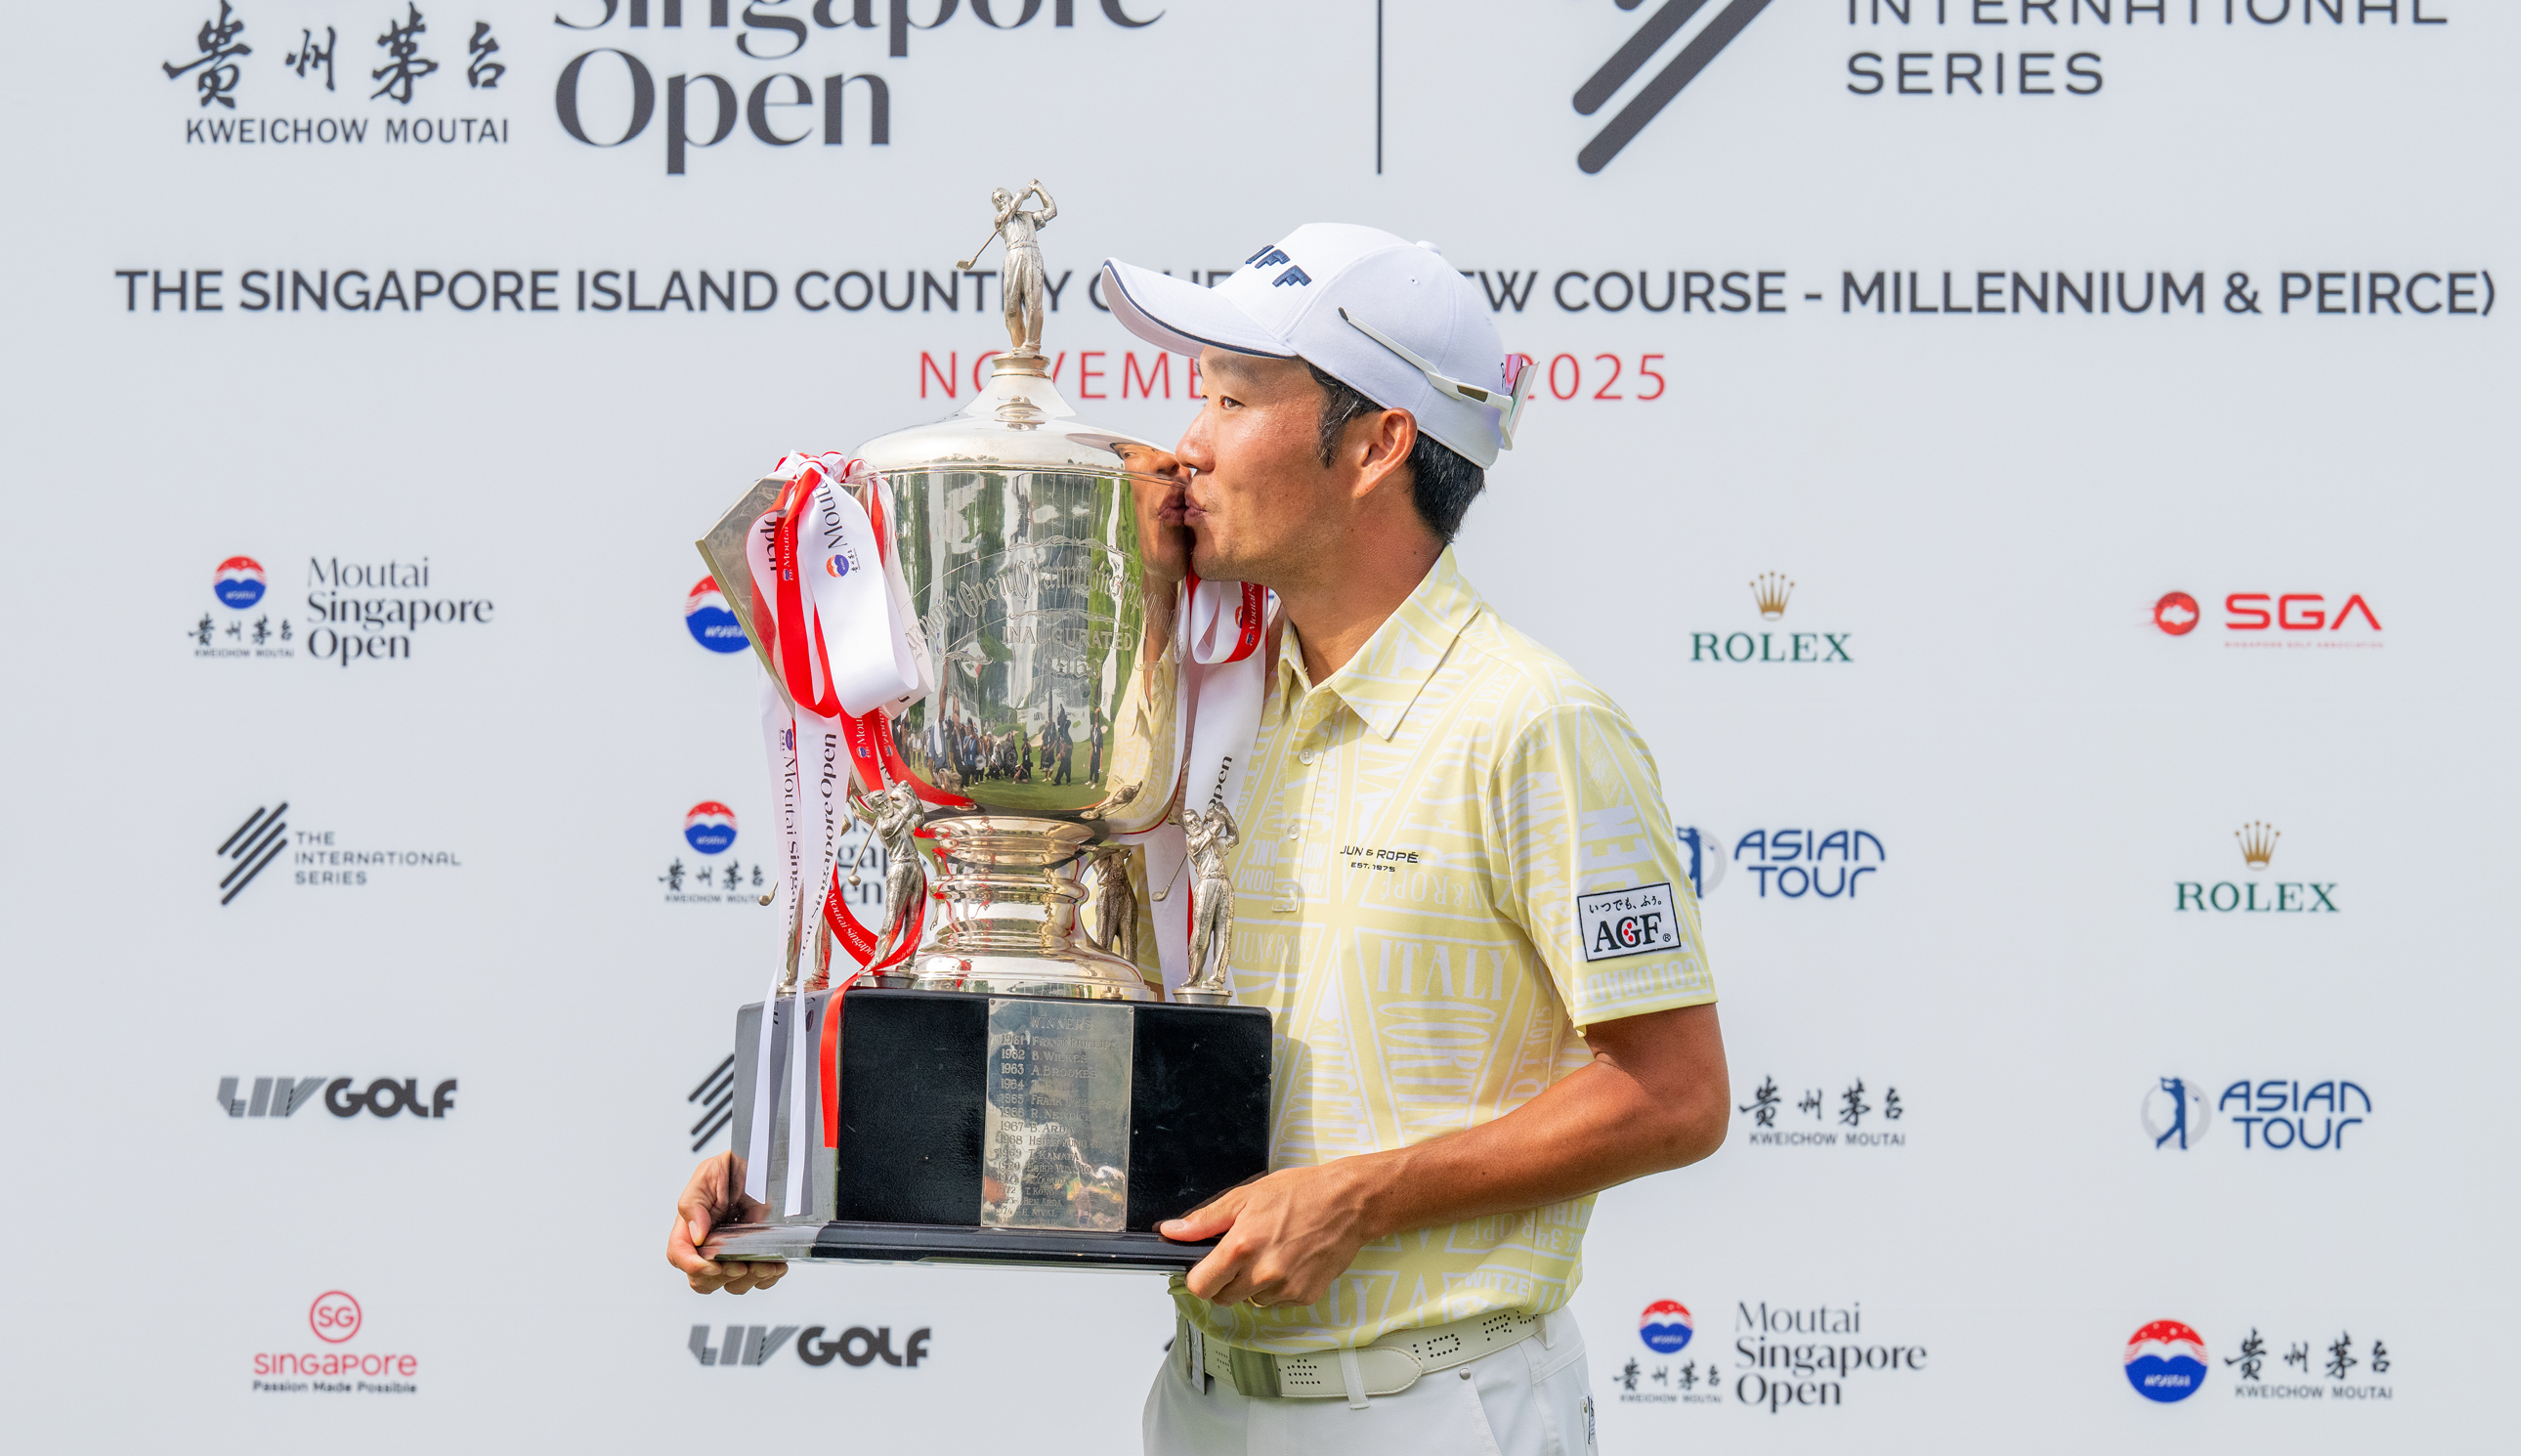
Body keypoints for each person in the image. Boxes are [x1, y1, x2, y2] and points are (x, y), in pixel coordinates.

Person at [666, 224, 1730, 1456]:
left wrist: (1360, 1198)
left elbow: (1677, 1092)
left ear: (1381, 443)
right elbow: (1086, 1026)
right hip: (1204, 1403)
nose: (1189, 443)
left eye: (1232, 398)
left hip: (1434, 1409)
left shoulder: (1531, 721)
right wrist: (812, 1167)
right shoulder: (1199, 704)